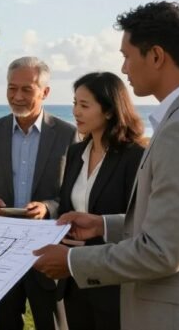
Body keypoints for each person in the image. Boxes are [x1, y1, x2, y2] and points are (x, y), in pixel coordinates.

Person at [32, 1, 179, 330]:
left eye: (127, 55)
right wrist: (103, 225)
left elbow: (162, 251)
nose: (123, 68)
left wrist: (70, 261)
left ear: (155, 56)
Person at [0, 56, 76, 330]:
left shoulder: (68, 134)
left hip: (48, 250)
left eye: (26, 89)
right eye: (11, 88)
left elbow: (75, 195)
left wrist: (48, 208)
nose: (17, 96)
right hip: (0, 253)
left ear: (45, 92)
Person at [56, 72, 146, 330]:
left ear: (109, 110)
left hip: (114, 284)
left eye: (84, 105)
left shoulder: (135, 157)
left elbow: (137, 222)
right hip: (74, 279)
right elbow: (66, 209)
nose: (76, 112)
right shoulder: (75, 152)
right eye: (74, 103)